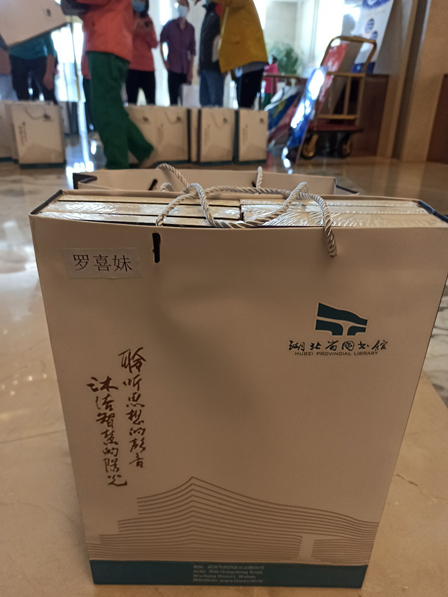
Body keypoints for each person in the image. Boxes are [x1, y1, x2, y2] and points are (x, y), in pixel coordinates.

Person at [78, 0, 154, 169]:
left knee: (106, 109)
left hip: (106, 43)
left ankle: (117, 165)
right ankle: (143, 151)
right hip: (109, 42)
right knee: (111, 107)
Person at [212, 0, 268, 109]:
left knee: (244, 109)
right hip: (243, 62)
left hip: (250, 61)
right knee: (243, 108)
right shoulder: (229, 9)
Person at [160, 0, 196, 106]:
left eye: (183, 5)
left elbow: (192, 51)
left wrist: (190, 70)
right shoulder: (170, 26)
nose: (181, 7)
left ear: (188, 9)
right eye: (179, 5)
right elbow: (161, 42)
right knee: (173, 102)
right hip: (173, 69)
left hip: (185, 70)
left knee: (186, 102)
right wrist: (164, 61)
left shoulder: (191, 29)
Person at [9, 32, 58, 103]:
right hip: (17, 57)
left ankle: (52, 107)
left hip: (39, 56)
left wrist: (49, 73)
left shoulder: (41, 28)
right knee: (22, 96)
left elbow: (50, 50)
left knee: (48, 89)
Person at [126, 0, 158, 105]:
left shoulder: (148, 20)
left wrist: (147, 33)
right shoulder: (127, 19)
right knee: (132, 102)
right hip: (132, 66)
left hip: (148, 67)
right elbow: (124, 40)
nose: (140, 2)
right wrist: (135, 28)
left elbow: (154, 44)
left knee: (151, 103)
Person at [198, 1, 224, 107]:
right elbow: (203, 42)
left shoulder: (220, 10)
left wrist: (224, 64)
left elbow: (224, 38)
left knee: (216, 104)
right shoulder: (208, 13)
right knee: (204, 103)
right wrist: (200, 65)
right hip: (204, 66)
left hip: (215, 67)